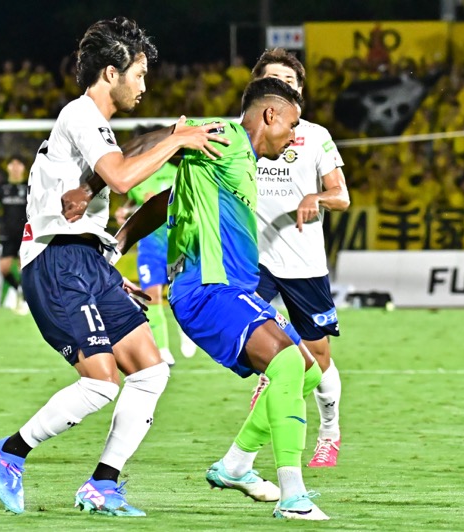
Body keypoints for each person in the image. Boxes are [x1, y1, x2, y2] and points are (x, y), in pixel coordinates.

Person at [0, 16, 230, 517]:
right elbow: (120, 178)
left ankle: (103, 484)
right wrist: (177, 140)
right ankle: (11, 452)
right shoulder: (80, 113)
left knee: (151, 370)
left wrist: (108, 257)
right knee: (100, 383)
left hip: (86, 263)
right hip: (56, 263)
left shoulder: (97, 127)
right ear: (112, 72)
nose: (145, 85)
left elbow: (116, 172)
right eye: (139, 74)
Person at [98, 77, 329, 520]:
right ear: (270, 115)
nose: (296, 135)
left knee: (307, 371)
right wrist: (104, 162)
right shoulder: (223, 138)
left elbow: (168, 198)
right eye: (293, 123)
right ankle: (294, 496)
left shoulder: (238, 162)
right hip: (206, 287)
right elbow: (170, 138)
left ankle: (236, 465)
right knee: (284, 362)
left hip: (234, 289)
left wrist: (119, 243)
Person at [250, 48, 350, 467]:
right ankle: (250, 455)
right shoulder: (242, 135)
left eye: (290, 83)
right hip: (254, 261)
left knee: (319, 358)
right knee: (257, 351)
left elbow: (341, 196)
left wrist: (316, 196)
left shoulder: (314, 135)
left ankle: (330, 429)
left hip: (303, 262)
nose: (283, 88)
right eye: (275, 80)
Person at [114, 127, 197, 364]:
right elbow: (136, 205)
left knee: (180, 295)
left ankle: (185, 331)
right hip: (150, 248)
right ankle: (162, 349)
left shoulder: (177, 173)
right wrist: (125, 213)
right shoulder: (137, 177)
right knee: (151, 296)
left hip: (177, 244)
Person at [0, 154, 28, 313]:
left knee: (23, 268)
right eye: (12, 164)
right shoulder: (2, 187)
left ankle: (25, 299)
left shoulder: (29, 187)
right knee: (3, 268)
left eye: (19, 164)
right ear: (8, 167)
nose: (16, 167)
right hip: (6, 234)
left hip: (26, 234)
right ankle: (17, 289)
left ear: (23, 168)